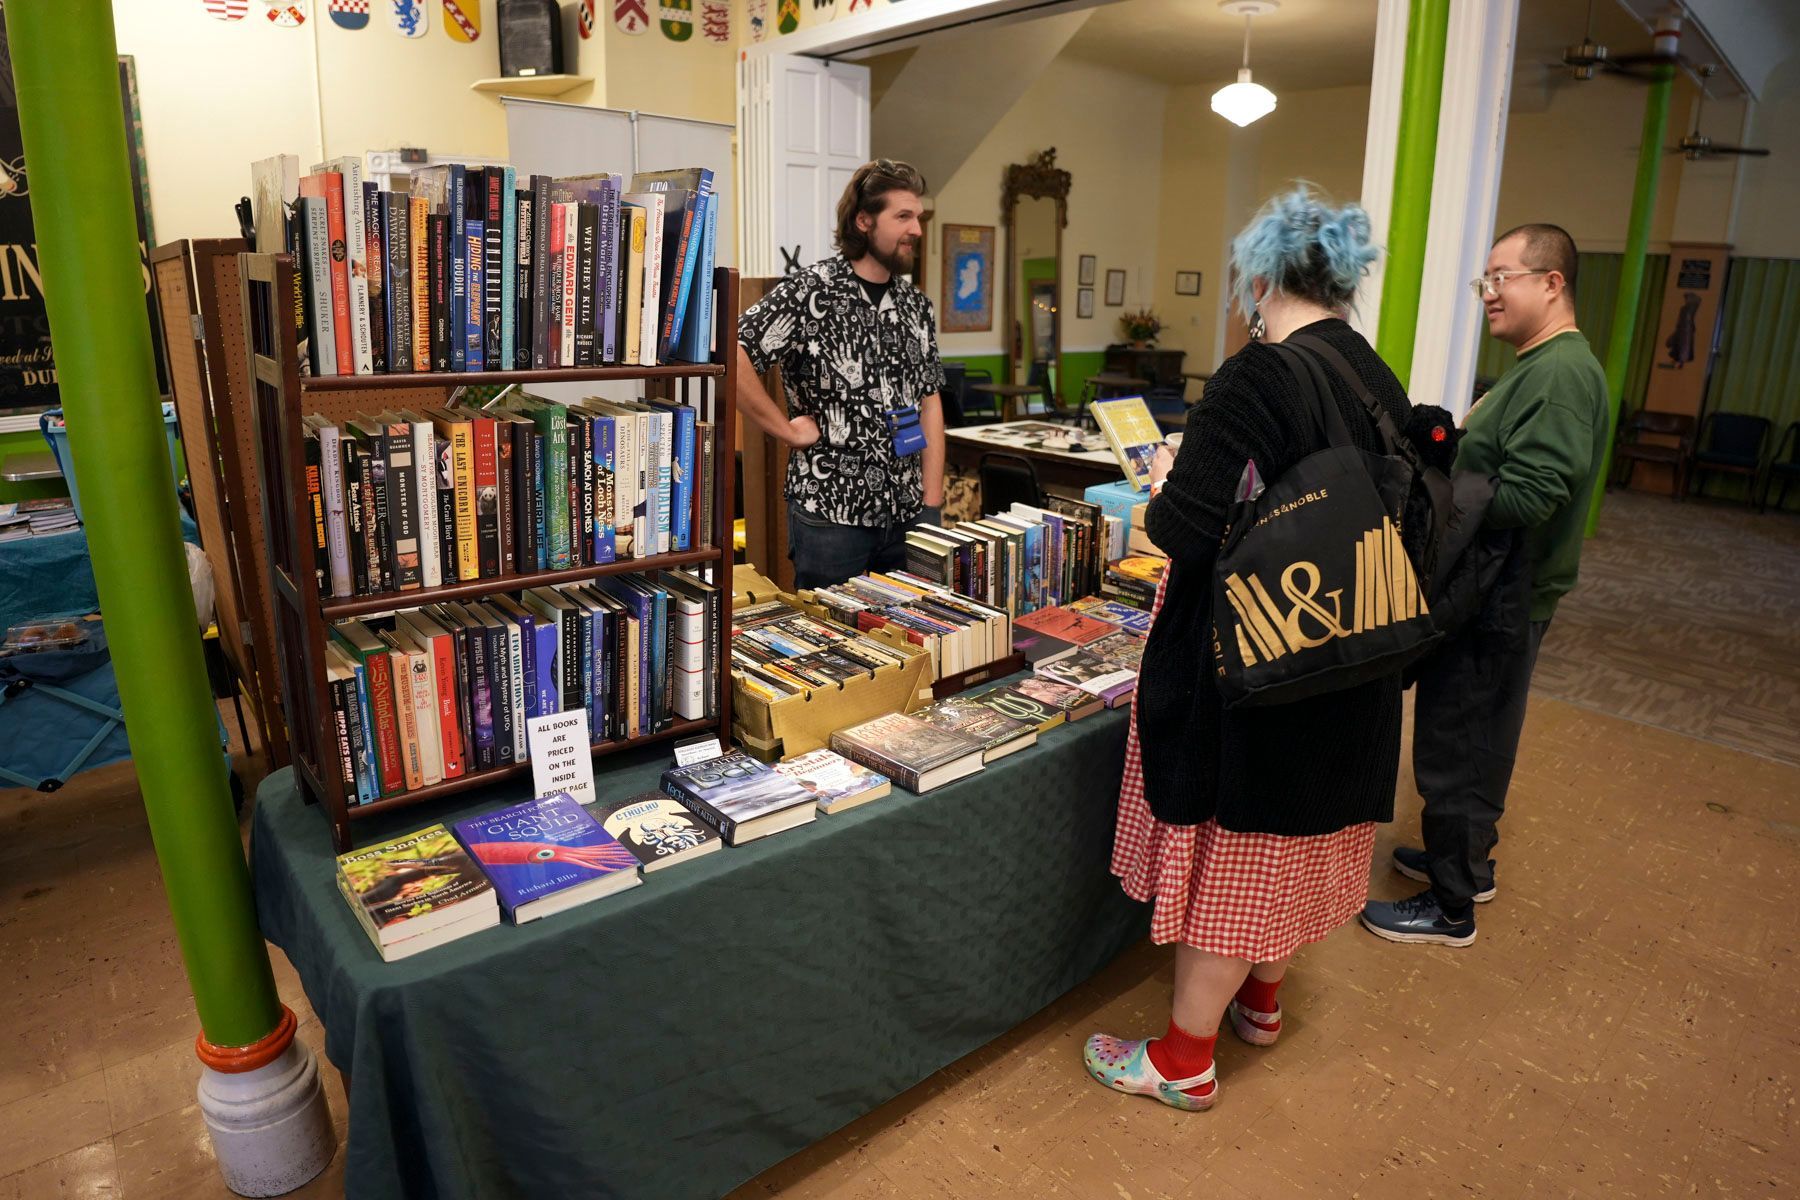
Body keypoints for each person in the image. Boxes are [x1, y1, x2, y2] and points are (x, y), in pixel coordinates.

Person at [1084, 186, 1406, 1112]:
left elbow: (1184, 528)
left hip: (1256, 663)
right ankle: (1261, 1001)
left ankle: (1183, 1060)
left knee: (1238, 847)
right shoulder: (1370, 374)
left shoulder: (1254, 376)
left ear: (1259, 276)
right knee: (1295, 842)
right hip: (1351, 650)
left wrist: (1161, 486)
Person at [1361, 223, 1608, 947]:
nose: (1489, 294)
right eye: (1485, 281)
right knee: (1479, 728)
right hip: (1497, 585)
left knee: (1461, 737)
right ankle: (1465, 862)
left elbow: (1531, 495)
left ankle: (1451, 905)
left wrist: (1439, 489)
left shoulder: (1561, 372)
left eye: (1502, 277)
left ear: (1552, 283)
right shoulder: (1541, 365)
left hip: (1500, 591)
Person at [735, 159, 946, 588]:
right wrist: (787, 432)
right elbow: (732, 353)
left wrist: (932, 502)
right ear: (864, 220)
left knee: (905, 641)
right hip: (831, 517)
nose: (917, 230)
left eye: (919, 218)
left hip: (908, 514)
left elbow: (929, 402)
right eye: (903, 216)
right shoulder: (811, 291)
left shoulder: (916, 307)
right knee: (829, 645)